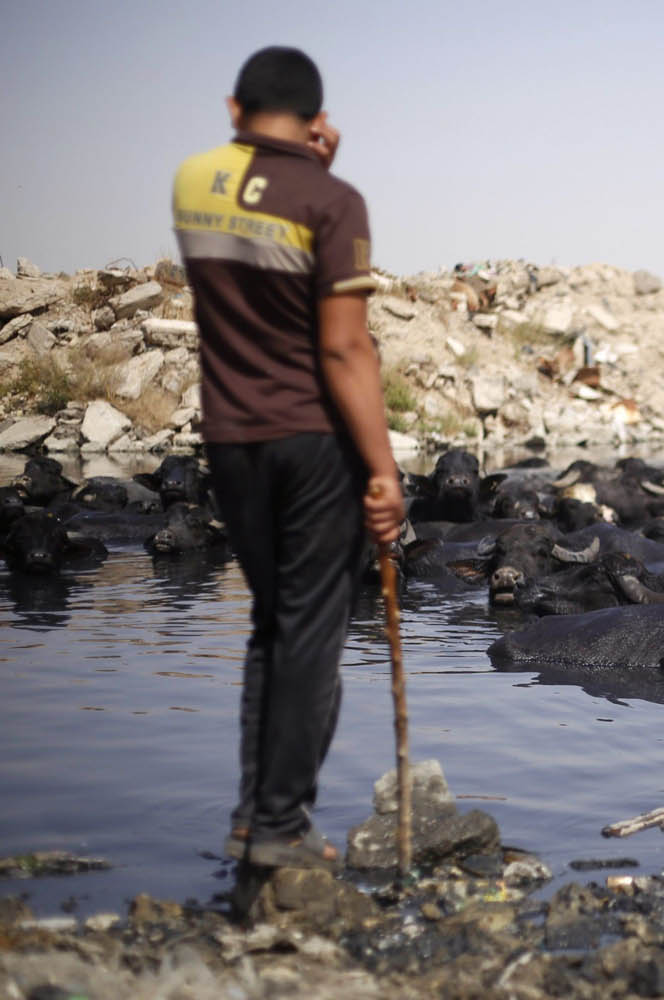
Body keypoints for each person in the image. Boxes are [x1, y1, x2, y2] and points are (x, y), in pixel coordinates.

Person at [172, 46, 405, 870]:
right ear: (316, 121)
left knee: (272, 626)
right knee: (312, 636)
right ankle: (279, 826)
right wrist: (383, 470)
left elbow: (258, 211)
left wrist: (301, 166)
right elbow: (343, 349)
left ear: (235, 109)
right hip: (313, 444)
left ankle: (253, 817)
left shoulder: (191, 182)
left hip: (230, 442)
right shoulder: (334, 200)